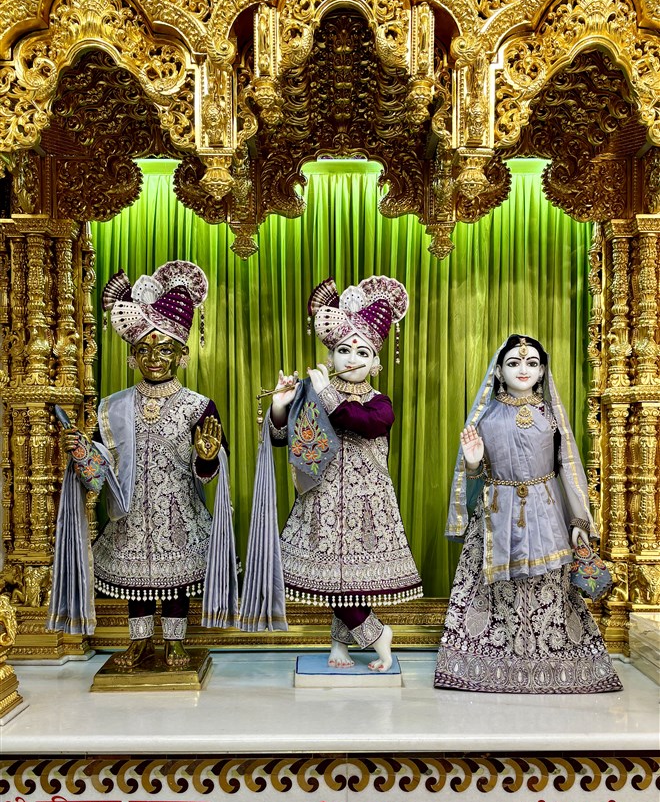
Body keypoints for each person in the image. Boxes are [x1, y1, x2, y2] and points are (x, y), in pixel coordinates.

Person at [47, 261, 237, 667]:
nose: (154, 358)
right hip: (129, 514)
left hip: (179, 514)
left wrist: (207, 457)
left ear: (182, 354)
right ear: (133, 355)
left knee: (175, 582)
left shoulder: (198, 406)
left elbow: (212, 471)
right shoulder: (112, 407)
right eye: (144, 349)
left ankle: (174, 642)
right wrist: (80, 452)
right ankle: (138, 642)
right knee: (135, 584)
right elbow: (99, 471)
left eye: (165, 349)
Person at [434, 334, 622, 694]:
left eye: (532, 363)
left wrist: (578, 521)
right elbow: (475, 475)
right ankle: (490, 665)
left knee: (547, 588)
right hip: (495, 512)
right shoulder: (485, 416)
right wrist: (472, 464)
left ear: (542, 371)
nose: (524, 369)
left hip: (545, 512)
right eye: (514, 363)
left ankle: (550, 664)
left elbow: (568, 465)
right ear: (499, 372)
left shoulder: (550, 415)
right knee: (496, 592)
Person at [265, 276, 422, 671]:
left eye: (362, 352)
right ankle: (342, 644)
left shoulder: (380, 401)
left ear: (376, 362)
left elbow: (364, 424)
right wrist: (282, 404)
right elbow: (283, 439)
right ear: (331, 356)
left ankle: (375, 635)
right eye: (343, 350)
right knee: (335, 578)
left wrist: (327, 395)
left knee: (350, 580)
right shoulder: (313, 393)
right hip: (321, 498)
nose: (352, 359)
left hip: (365, 504)